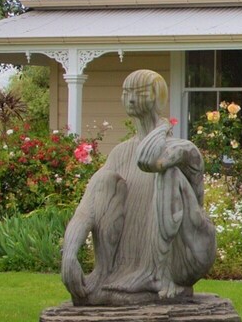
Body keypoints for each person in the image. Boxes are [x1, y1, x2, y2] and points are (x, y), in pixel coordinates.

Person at [60, 70, 215, 305]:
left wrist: (160, 135)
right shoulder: (120, 153)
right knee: (104, 180)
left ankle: (159, 276)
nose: (131, 99)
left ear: (157, 97)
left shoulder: (185, 149)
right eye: (126, 93)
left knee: (168, 173)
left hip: (184, 257)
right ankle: (106, 274)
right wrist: (69, 254)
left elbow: (159, 162)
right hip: (128, 258)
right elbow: (87, 209)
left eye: (139, 93)